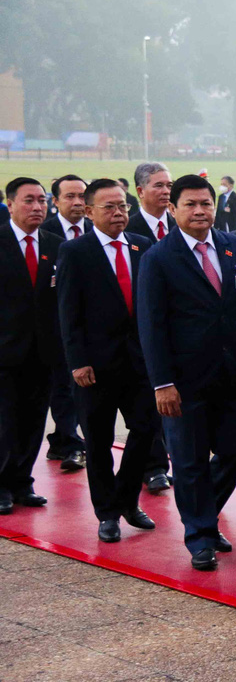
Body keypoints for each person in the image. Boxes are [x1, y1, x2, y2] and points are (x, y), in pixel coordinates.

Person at [137, 175, 236, 569]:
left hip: (235, 376)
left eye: (206, 203)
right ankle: (200, 536)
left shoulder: (234, 246)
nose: (201, 211)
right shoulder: (158, 257)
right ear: (173, 208)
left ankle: (204, 511)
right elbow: (151, 326)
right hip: (184, 382)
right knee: (188, 461)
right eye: (190, 204)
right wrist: (162, 382)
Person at [57, 179, 157, 542]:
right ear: (89, 211)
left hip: (139, 362)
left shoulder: (142, 246)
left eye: (123, 207)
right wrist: (78, 361)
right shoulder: (76, 251)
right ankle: (107, 513)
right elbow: (69, 313)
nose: (119, 213)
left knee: (147, 429)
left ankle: (126, 499)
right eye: (110, 207)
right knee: (97, 441)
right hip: (94, 366)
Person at [0, 178, 63, 515]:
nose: (37, 207)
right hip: (4, 352)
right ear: (10, 205)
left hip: (43, 352)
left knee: (34, 419)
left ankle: (22, 481)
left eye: (42, 200)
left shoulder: (54, 244)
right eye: (29, 201)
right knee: (4, 421)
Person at [126, 162, 175, 492]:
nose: (166, 191)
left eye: (169, 185)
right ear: (141, 191)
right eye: (158, 185)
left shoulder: (182, 223)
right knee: (148, 404)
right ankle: (155, 466)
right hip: (141, 332)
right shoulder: (126, 229)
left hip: (183, 330)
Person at [41, 174, 90, 470]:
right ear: (55, 202)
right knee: (62, 387)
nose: (77, 202)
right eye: (69, 197)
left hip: (93, 327)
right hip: (55, 327)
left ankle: (63, 440)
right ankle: (71, 443)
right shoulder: (44, 234)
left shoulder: (97, 230)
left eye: (82, 196)